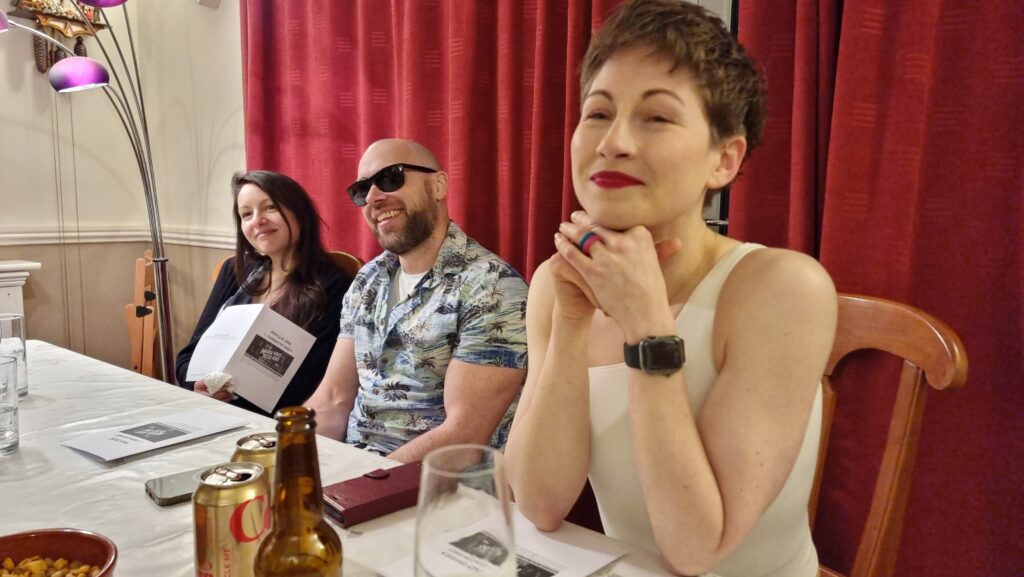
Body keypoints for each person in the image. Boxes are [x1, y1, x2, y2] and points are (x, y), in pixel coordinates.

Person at [504, 2, 837, 576]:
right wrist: (573, 320)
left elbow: (696, 551)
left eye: (656, 118)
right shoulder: (552, 284)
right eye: (598, 113)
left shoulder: (781, 288)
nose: (614, 142)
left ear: (723, 160)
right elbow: (538, 502)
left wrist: (647, 324)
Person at [305, 139, 528, 463]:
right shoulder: (369, 279)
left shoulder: (492, 286)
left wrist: (365, 483)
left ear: (438, 185)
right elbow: (332, 399)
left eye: (390, 178)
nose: (372, 198)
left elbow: (463, 436)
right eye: (361, 189)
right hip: (352, 476)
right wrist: (283, 457)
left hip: (437, 495)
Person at [176, 170, 353, 417]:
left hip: (274, 423)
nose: (257, 220)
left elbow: (309, 383)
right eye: (246, 214)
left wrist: (230, 400)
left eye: (270, 208)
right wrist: (196, 385)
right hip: (209, 410)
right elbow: (187, 358)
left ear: (299, 213)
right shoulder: (234, 271)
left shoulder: (335, 286)